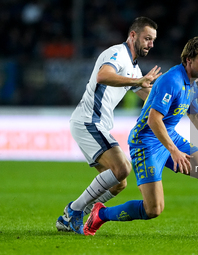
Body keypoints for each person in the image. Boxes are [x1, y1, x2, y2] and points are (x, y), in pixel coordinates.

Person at [83, 36, 198, 239]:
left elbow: (194, 114)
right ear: (188, 60)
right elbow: (153, 120)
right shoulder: (172, 80)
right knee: (153, 209)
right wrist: (174, 151)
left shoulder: (191, 82)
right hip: (146, 143)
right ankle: (101, 213)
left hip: (169, 137)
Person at [56, 17, 161, 234]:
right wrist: (137, 82)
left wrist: (171, 101)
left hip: (98, 124)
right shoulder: (117, 53)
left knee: (118, 183)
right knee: (122, 168)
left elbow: (145, 93)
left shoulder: (132, 66)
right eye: (147, 38)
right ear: (133, 35)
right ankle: (74, 210)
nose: (150, 44)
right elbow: (103, 75)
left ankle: (69, 218)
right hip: (88, 121)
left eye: (153, 40)